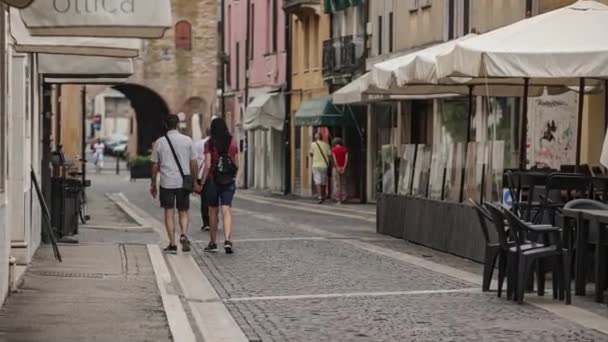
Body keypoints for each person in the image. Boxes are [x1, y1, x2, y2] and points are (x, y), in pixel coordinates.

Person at [150, 115, 199, 254]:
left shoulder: (160, 142)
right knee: (183, 211)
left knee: (169, 212)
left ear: (166, 125)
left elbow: (154, 165)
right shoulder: (187, 140)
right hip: (183, 182)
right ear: (177, 124)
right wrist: (195, 181)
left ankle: (172, 243)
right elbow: (194, 162)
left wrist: (153, 183)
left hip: (166, 182)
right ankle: (183, 234)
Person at [200, 117, 239, 254]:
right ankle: (228, 240)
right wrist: (233, 175)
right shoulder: (232, 142)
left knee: (213, 211)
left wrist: (202, 182)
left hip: (213, 179)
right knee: (226, 209)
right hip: (228, 180)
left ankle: (213, 242)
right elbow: (236, 163)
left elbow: (208, 164)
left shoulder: (209, 144)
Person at [194, 129, 211, 231]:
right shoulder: (217, 143)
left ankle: (206, 223)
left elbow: (195, 160)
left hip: (201, 174)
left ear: (206, 132)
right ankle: (214, 220)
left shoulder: (198, 143)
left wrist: (194, 178)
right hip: (213, 174)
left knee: (204, 200)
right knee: (213, 200)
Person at [310, 132, 331, 203]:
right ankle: (324, 195)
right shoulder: (327, 145)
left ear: (316, 137)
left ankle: (320, 196)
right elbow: (329, 155)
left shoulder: (313, 144)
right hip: (324, 165)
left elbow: (311, 154)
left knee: (317, 181)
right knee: (323, 181)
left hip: (316, 165)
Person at [331, 137, 349, 204]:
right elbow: (346, 159)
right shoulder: (345, 150)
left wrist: (337, 167)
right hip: (343, 167)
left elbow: (334, 160)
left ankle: (338, 199)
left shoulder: (333, 150)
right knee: (343, 182)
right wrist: (344, 167)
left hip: (336, 168)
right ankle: (344, 197)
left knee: (336, 183)